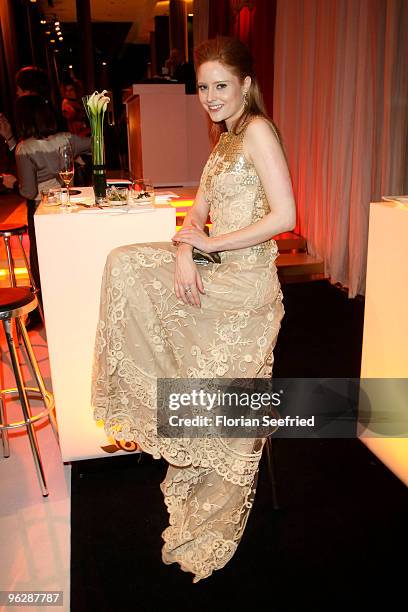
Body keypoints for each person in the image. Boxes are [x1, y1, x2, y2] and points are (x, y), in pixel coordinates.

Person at [91, 36, 296, 582]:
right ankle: (167, 414)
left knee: (131, 270)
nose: (210, 96)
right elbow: (195, 215)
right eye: (203, 87)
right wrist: (186, 248)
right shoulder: (222, 142)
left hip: (247, 287)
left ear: (247, 85)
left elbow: (285, 216)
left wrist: (208, 246)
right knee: (125, 264)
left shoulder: (256, 132)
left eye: (221, 86)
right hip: (216, 270)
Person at [15, 94, 90, 312]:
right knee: (68, 257)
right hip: (68, 205)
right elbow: (97, 141)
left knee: (43, 262)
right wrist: (79, 159)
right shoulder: (66, 139)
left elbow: (28, 191)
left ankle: (46, 310)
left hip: (42, 209)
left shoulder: (25, 149)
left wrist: (12, 184)